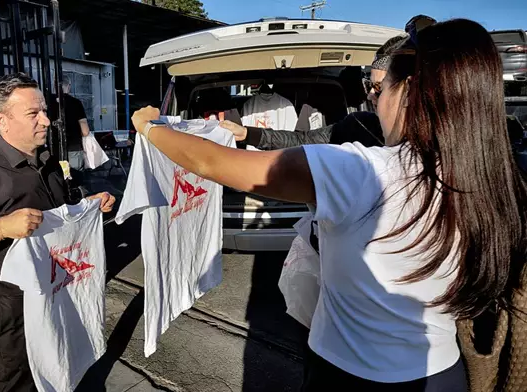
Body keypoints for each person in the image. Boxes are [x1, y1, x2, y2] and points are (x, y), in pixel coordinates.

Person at [130, 18, 527, 391]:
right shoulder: (500, 183)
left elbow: (212, 162)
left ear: (409, 89)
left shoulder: (360, 170)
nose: (375, 101)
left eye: (380, 89)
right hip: (442, 373)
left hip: (345, 374)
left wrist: (150, 125)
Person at [0, 73, 115, 392]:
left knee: (63, 362)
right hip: (13, 306)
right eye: (34, 114)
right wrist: (3, 227)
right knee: (19, 380)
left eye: (44, 111)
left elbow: (56, 215)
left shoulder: (47, 161)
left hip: (58, 289)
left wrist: (87, 205)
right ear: (0, 120)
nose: (47, 121)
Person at [220, 34, 409, 149]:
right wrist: (246, 134)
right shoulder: (360, 125)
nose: (369, 95)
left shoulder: (434, 149)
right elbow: (301, 140)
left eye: (378, 88)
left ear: (408, 90)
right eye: (369, 86)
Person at [51, 75, 92, 190]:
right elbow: (85, 131)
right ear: (68, 86)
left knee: (57, 178)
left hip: (53, 149)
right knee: (75, 179)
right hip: (73, 148)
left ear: (55, 86)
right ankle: (77, 202)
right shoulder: (76, 103)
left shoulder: (48, 103)